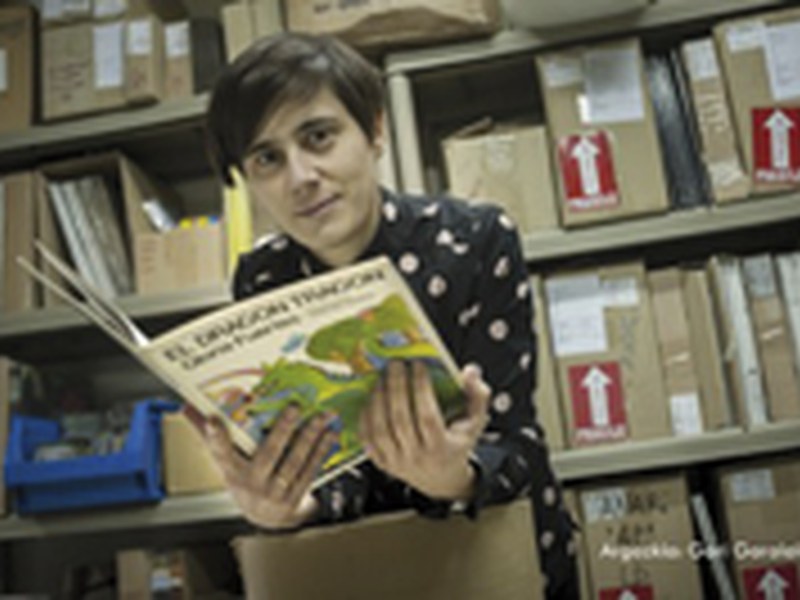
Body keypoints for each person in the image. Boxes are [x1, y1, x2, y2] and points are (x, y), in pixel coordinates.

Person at [201, 31, 578, 598]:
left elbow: (515, 442)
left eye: (319, 137)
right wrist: (289, 506)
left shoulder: (475, 241)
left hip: (497, 559)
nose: (300, 177)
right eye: (267, 158)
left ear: (374, 131)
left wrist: (452, 475)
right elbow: (324, 464)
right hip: (369, 569)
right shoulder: (261, 277)